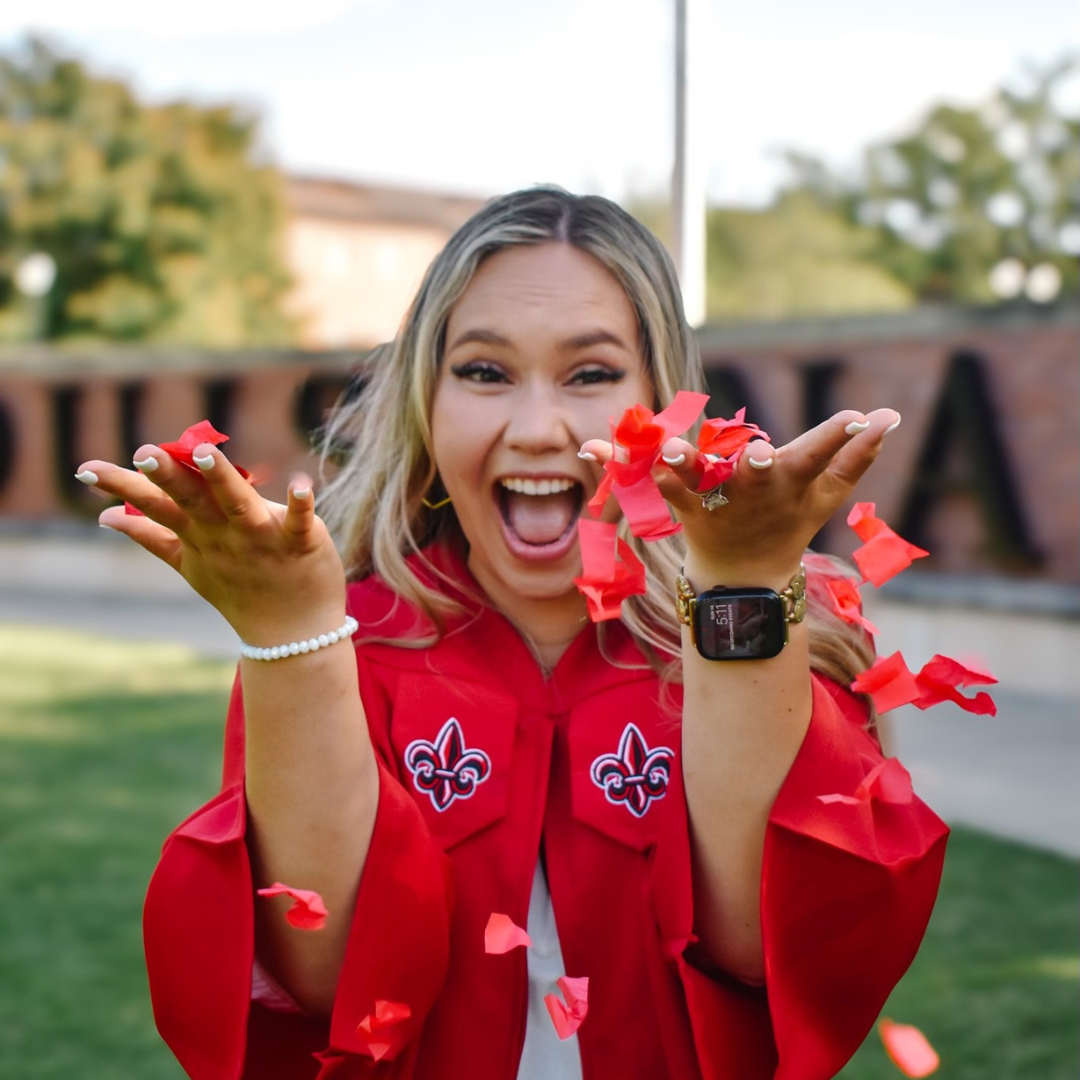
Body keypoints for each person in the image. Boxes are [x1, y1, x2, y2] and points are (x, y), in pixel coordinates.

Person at [77, 186, 947, 1080]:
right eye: (485, 373)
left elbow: (758, 950)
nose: (538, 430)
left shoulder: (763, 623)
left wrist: (742, 589)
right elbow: (324, 982)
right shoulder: (345, 640)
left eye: (593, 374)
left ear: (668, 401)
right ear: (426, 401)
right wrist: (291, 635)